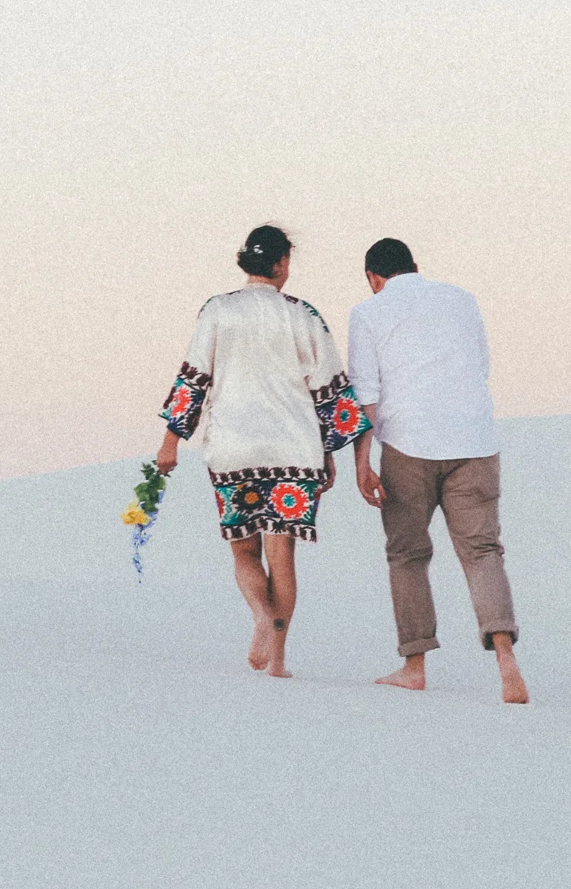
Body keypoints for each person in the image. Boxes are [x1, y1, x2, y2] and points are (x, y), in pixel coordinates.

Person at [156, 225, 371, 678]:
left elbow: (193, 377)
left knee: (244, 554)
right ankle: (277, 658)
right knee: (283, 558)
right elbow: (329, 390)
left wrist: (171, 442)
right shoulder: (302, 315)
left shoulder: (217, 311)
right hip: (295, 448)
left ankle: (258, 613)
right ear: (280, 264)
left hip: (234, 450)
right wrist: (330, 451)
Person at [349, 238, 528, 703]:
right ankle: (506, 659)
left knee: (407, 554)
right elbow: (481, 366)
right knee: (483, 551)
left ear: (373, 278)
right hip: (475, 440)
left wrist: (361, 461)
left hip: (410, 444)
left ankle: (414, 666)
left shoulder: (368, 313)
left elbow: (366, 394)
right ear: (415, 267)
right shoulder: (460, 299)